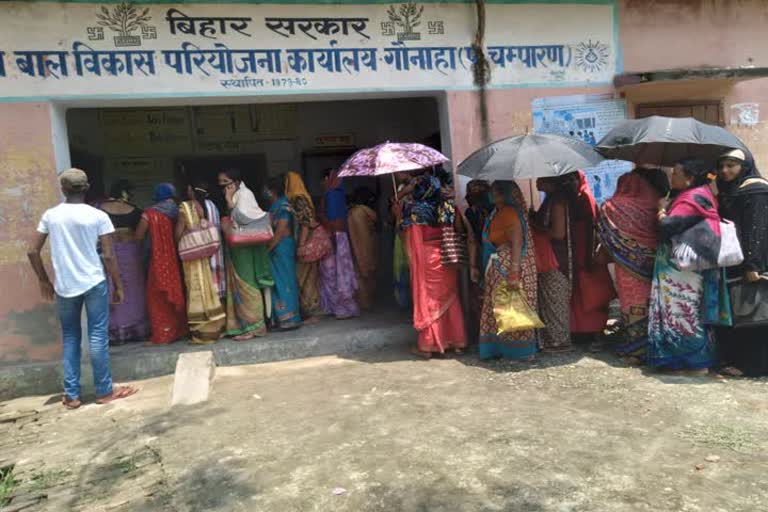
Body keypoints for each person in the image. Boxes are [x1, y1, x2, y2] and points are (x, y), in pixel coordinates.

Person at [28, 168, 137, 408]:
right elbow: (108, 256)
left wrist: (43, 279)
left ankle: (72, 395)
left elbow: (32, 250)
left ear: (63, 189)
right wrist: (118, 285)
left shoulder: (51, 216)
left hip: (65, 285)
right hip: (94, 282)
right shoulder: (98, 216)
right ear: (86, 187)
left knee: (70, 337)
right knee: (98, 337)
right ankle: (104, 391)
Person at [647, 160, 723, 373]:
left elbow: (666, 227)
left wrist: (661, 210)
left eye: (676, 173)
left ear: (689, 177)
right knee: (686, 312)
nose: (672, 177)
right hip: (686, 268)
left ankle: (690, 362)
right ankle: (686, 360)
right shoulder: (702, 194)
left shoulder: (691, 199)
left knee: (682, 313)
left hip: (681, 272)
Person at [533, 173, 615, 351]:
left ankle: (561, 339)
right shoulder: (573, 199)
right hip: (576, 255)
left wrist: (537, 228)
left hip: (570, 256)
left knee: (562, 296)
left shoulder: (562, 201)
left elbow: (560, 232)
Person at [596, 167, 668, 363]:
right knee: (655, 304)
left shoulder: (612, 206)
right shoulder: (657, 204)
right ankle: (655, 346)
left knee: (631, 304)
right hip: (657, 263)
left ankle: (635, 351)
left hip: (626, 267)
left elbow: (603, 233)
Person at [401, 170, 467, 357]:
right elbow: (459, 229)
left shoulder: (414, 210)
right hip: (447, 256)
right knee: (451, 297)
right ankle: (456, 342)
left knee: (430, 300)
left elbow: (412, 240)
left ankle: (430, 344)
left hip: (427, 257)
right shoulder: (447, 206)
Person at [716, 149, 768, 377]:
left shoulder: (755, 190)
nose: (725, 171)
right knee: (745, 314)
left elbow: (755, 229)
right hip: (739, 261)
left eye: (731, 165)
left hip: (752, 263)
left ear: (744, 166)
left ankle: (754, 366)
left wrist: (753, 265)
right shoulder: (734, 189)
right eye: (722, 166)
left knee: (754, 316)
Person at [479, 180, 538, 360]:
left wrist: (513, 272)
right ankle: (502, 348)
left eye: (494, 191)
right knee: (500, 308)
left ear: (504, 194)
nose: (490, 194)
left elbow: (517, 243)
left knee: (512, 308)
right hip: (498, 264)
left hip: (508, 265)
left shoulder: (510, 213)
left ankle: (521, 351)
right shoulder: (496, 213)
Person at [219, 169, 274, 340]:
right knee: (242, 287)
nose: (223, 187)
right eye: (220, 184)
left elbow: (242, 219)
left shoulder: (244, 195)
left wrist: (228, 201)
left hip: (246, 249)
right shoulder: (240, 194)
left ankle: (256, 327)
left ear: (235, 182)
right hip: (240, 249)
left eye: (226, 183)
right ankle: (244, 326)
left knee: (248, 285)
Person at [134, 183, 187, 344]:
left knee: (156, 296)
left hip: (158, 260)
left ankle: (163, 333)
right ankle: (179, 330)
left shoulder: (149, 213)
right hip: (176, 259)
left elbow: (138, 236)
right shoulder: (179, 211)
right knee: (177, 292)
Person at [98, 179, 149, 343]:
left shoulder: (99, 210)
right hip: (130, 253)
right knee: (133, 288)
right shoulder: (136, 211)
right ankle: (135, 329)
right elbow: (139, 236)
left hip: (109, 250)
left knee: (111, 286)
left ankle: (114, 331)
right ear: (125, 193)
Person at [175, 183, 226, 344]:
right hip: (203, 257)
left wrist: (179, 238)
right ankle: (215, 329)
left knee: (196, 291)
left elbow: (178, 233)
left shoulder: (185, 207)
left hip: (191, 258)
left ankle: (201, 335)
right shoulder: (202, 207)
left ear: (191, 190)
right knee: (208, 290)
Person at [319, 169, 359, 319]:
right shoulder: (338, 194)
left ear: (328, 179)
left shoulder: (332, 195)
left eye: (323, 179)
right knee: (341, 273)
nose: (321, 183)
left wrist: (320, 217)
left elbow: (334, 223)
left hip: (334, 238)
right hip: (341, 238)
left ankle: (340, 309)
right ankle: (345, 308)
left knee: (332, 274)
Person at [265, 176, 302, 330]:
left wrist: (268, 249)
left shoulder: (283, 206)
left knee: (286, 281)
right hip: (276, 249)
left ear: (271, 191)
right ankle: (280, 318)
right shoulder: (274, 206)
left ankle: (290, 318)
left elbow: (280, 232)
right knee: (277, 282)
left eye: (266, 189)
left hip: (282, 247)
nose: (264, 192)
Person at [348, 187, 379, 310]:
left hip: (355, 246)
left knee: (359, 273)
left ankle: (363, 302)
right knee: (370, 272)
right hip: (368, 244)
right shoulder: (367, 211)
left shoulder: (351, 212)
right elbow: (376, 221)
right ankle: (370, 301)